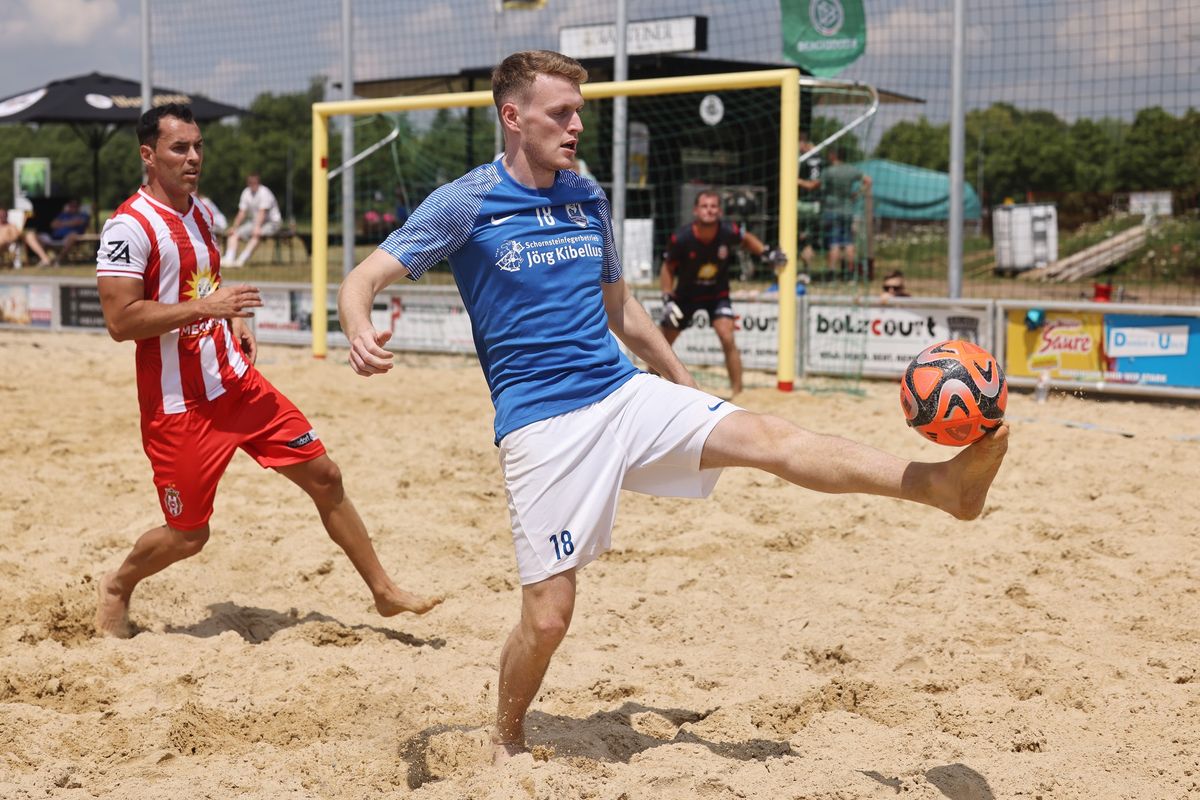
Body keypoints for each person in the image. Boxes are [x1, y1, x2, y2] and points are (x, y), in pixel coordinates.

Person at [337, 50, 1008, 766]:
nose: (574, 127)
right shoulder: (466, 203)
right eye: (560, 113)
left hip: (621, 392)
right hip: (541, 427)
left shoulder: (584, 196)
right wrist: (357, 326)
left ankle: (938, 485)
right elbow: (364, 277)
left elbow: (620, 311)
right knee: (549, 619)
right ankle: (506, 737)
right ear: (513, 116)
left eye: (579, 113)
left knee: (771, 439)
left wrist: (681, 378)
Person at [93, 104, 441, 639]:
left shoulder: (203, 212)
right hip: (179, 405)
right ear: (148, 155)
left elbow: (205, 285)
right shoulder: (128, 226)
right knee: (189, 536)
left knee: (326, 477)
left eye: (198, 146)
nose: (193, 157)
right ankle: (118, 584)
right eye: (179, 148)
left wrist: (235, 321)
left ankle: (383, 592)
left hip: (237, 382)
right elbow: (121, 320)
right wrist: (205, 310)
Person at [659, 190, 784, 397]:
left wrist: (765, 252)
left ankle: (738, 393)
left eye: (714, 206)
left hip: (717, 295)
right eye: (705, 206)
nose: (710, 210)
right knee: (661, 343)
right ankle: (649, 384)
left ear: (720, 211)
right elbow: (667, 268)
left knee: (727, 336)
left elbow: (746, 239)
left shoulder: (728, 230)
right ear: (696, 211)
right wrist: (667, 298)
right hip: (685, 296)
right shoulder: (682, 237)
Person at [820, 148, 871, 281]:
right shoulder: (851, 170)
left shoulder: (828, 171)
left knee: (834, 243)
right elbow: (868, 181)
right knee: (849, 243)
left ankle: (831, 273)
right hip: (848, 211)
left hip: (832, 210)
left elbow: (818, 186)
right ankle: (850, 274)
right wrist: (857, 193)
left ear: (833, 155)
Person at [223, 172, 282, 267]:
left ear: (258, 182)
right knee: (234, 233)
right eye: (250, 182)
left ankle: (241, 260)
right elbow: (242, 213)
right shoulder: (246, 192)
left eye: (255, 182)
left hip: (272, 222)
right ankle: (229, 259)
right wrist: (234, 227)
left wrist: (257, 228)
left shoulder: (264, 192)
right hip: (255, 221)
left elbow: (263, 212)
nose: (252, 184)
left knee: (257, 234)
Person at [28, 198, 89, 265]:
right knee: (30, 235)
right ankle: (45, 258)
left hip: (67, 239)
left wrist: (61, 223)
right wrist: (70, 223)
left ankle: (58, 259)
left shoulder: (83, 215)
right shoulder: (63, 214)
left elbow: (78, 222)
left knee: (73, 235)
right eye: (71, 205)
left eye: (75, 205)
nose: (72, 207)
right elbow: (53, 225)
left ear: (79, 207)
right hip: (53, 237)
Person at [796, 130, 822, 273]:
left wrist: (797, 182)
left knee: (804, 239)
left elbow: (815, 183)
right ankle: (803, 270)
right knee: (801, 239)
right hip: (803, 204)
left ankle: (806, 271)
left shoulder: (813, 158)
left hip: (808, 205)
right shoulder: (805, 157)